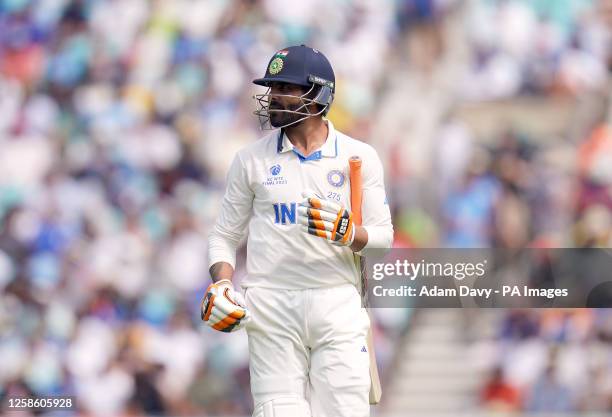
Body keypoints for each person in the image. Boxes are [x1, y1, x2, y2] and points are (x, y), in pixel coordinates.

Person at [200, 44, 393, 417]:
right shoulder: (250, 160)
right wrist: (221, 283)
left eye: (285, 88)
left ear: (318, 94)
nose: (274, 97)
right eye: (273, 88)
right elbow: (223, 236)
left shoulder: (358, 157)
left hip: (336, 301)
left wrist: (350, 233)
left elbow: (382, 241)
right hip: (270, 303)